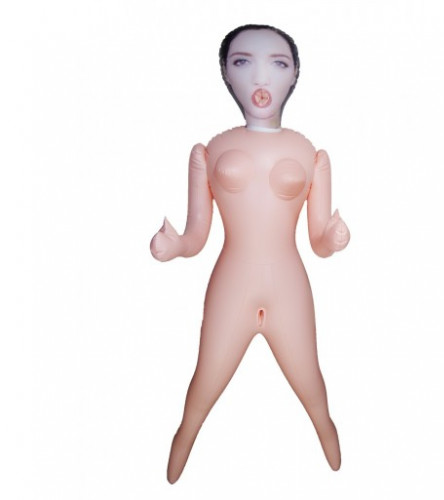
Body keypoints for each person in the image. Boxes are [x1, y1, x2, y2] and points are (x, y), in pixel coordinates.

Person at [150, 24, 350, 484]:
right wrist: (176, 246)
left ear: (294, 74)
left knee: (312, 384)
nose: (261, 77)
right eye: (243, 62)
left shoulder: (310, 153)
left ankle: (329, 437)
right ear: (226, 72)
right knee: (203, 385)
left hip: (289, 286)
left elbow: (318, 242)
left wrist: (333, 236)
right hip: (231, 285)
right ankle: (182, 443)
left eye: (277, 64)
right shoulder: (211, 150)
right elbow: (197, 235)